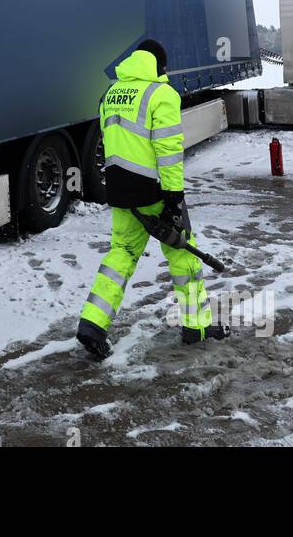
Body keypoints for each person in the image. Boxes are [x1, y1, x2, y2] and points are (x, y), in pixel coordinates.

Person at [76, 39, 228, 360]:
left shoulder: (111, 95)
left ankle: (93, 323)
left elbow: (112, 143)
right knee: (183, 257)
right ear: (158, 64)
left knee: (121, 256)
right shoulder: (162, 94)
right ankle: (196, 326)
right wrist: (174, 197)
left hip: (120, 191)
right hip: (154, 192)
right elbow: (168, 150)